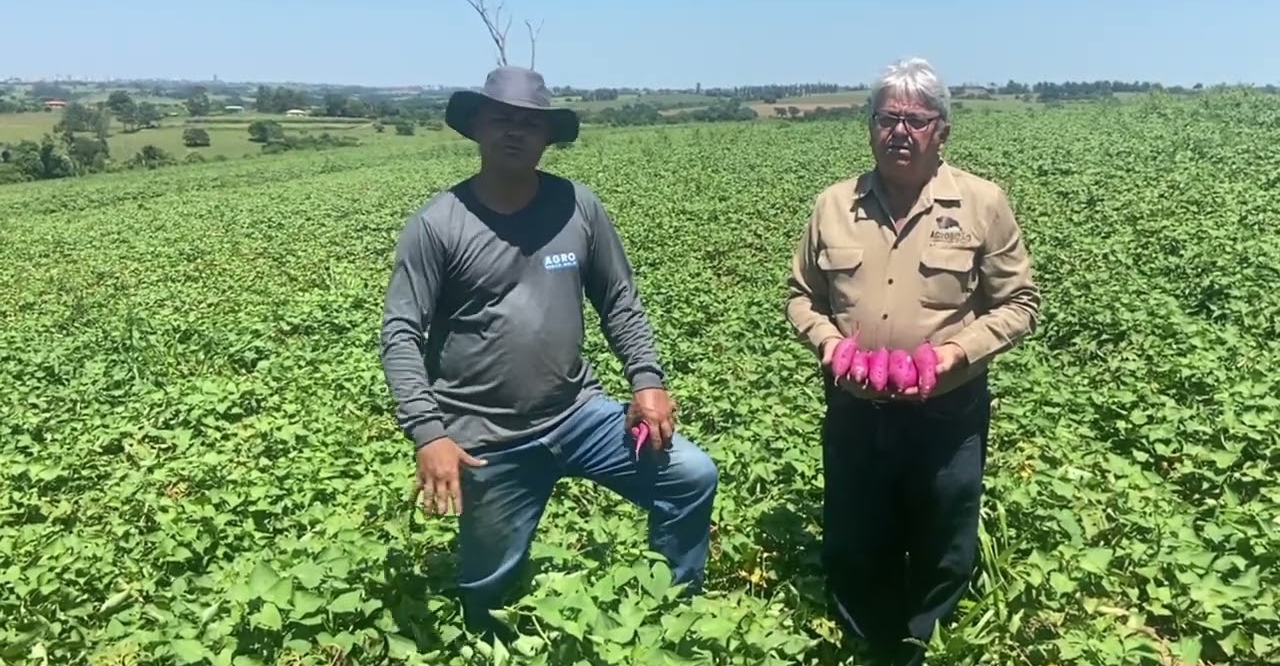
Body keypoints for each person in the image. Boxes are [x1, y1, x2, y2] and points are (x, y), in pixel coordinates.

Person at [378, 65, 719, 639]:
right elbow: (401, 334)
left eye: (529, 123)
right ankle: (484, 639)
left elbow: (619, 301)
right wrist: (429, 434)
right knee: (489, 588)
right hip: (487, 437)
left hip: (577, 413)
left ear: (546, 137)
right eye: (502, 119)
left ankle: (673, 612)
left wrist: (647, 380)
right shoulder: (438, 225)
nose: (515, 131)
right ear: (479, 128)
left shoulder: (577, 207)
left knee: (690, 475)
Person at [784, 57, 1041, 666]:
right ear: (870, 127)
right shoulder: (833, 206)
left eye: (916, 120)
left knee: (942, 533)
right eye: (887, 118)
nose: (900, 131)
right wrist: (828, 343)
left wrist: (955, 353)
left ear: (942, 132)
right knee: (854, 531)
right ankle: (863, 638)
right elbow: (801, 296)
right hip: (856, 405)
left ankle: (927, 639)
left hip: (945, 410)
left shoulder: (981, 203)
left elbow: (1020, 302)